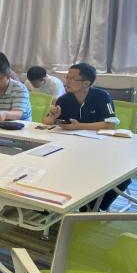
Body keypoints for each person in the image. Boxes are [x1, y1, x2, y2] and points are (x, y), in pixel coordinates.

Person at [43, 63, 125, 210]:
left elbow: (110, 124)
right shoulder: (64, 99)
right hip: (69, 148)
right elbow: (46, 122)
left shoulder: (102, 96)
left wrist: (79, 126)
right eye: (67, 77)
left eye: (72, 79)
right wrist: (53, 117)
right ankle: (55, 202)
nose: (67, 82)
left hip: (100, 148)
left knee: (121, 174)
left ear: (86, 83)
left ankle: (93, 206)